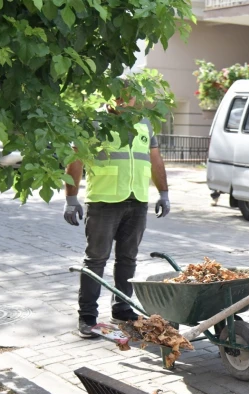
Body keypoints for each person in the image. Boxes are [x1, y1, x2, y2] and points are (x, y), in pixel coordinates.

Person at [63, 94, 171, 339]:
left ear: (136, 99)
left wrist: (163, 192)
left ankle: (122, 309)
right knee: (95, 260)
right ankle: (87, 317)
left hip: (137, 201)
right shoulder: (92, 122)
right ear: (108, 95)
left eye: (129, 96)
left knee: (128, 259)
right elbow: (76, 159)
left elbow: (154, 159)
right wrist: (71, 199)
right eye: (118, 96)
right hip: (103, 201)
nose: (124, 101)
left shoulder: (144, 122)